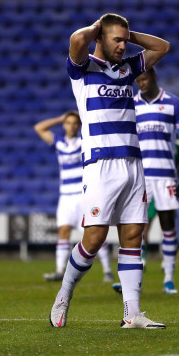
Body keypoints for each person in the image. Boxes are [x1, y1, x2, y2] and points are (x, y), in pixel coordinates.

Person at [49, 13, 170, 329]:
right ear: (101, 38)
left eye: (124, 40)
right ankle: (64, 294)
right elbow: (77, 40)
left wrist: (129, 36)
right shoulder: (83, 69)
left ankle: (132, 315)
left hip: (133, 163)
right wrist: (98, 29)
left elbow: (163, 47)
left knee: (133, 237)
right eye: (116, 39)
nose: (122, 45)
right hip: (101, 166)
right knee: (94, 239)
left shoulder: (128, 68)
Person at [112, 67, 179, 295]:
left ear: (154, 76)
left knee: (167, 226)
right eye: (138, 80)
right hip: (140, 176)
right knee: (137, 227)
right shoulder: (131, 104)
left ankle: (169, 278)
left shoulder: (173, 103)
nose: (141, 84)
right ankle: (136, 275)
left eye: (144, 79)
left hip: (166, 175)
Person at [34, 111, 114, 283]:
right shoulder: (59, 143)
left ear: (79, 125)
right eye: (68, 122)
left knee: (94, 232)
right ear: (64, 125)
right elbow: (39, 128)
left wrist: (84, 118)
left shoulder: (84, 141)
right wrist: (58, 118)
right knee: (63, 231)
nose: (71, 125)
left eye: (74, 123)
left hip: (82, 194)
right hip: (66, 196)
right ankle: (59, 270)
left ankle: (107, 270)